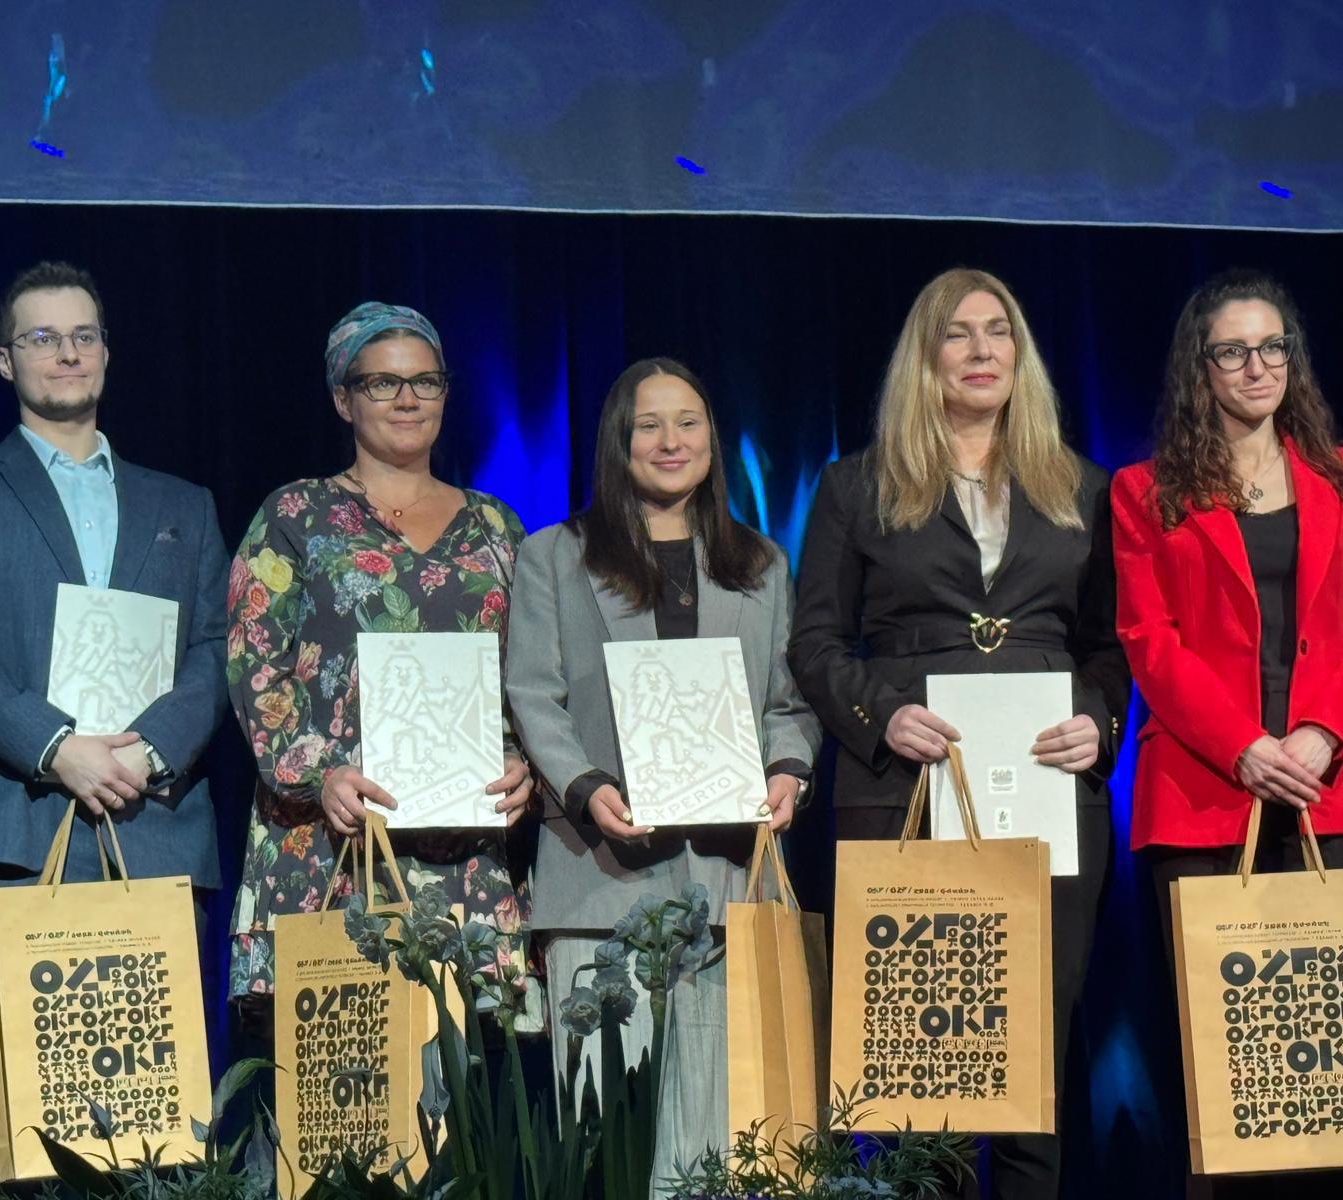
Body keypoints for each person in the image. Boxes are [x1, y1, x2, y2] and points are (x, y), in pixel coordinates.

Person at [788, 268, 1129, 1200]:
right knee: (924, 1075)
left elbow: (1111, 646)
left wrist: (1100, 722)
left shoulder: (1084, 487)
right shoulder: (857, 485)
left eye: (998, 331)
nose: (982, 350)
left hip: (1047, 794)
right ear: (924, 357)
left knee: (1032, 1066)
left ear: (1022, 354)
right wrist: (882, 715)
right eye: (958, 333)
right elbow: (814, 643)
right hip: (904, 787)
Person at [0, 260, 229, 1190]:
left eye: (83, 335)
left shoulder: (184, 504)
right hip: (9, 833)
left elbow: (216, 649)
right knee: (22, 1137)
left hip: (152, 828)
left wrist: (147, 750)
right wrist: (56, 748)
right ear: (5, 361)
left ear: (108, 354)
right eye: (41, 337)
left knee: (156, 1141)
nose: (66, 353)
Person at [505, 356, 819, 1193]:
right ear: (619, 441)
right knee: (610, 1149)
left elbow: (787, 702)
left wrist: (788, 772)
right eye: (649, 425)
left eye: (688, 422)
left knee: (727, 1147)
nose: (671, 441)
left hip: (728, 883)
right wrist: (583, 786)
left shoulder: (761, 564)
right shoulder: (554, 557)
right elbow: (534, 694)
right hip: (600, 879)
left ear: (713, 439)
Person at [226, 301, 533, 1023]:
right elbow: (254, 664)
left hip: (466, 858)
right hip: (330, 845)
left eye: (425, 381)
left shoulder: (496, 525)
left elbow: (532, 674)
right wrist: (319, 773)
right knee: (342, 1079)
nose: (406, 399)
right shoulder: (295, 516)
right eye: (382, 383)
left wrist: (526, 766)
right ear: (344, 399)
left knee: (464, 1080)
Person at [1111, 269, 1343, 1199]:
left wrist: (1324, 730)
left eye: (1273, 346)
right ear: (1198, 368)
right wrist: (1245, 746)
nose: (1258, 367)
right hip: (1203, 798)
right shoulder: (1144, 491)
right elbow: (1149, 640)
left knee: (1322, 1069)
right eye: (1233, 351)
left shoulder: (1337, 478)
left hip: (1327, 790)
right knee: (1225, 1074)